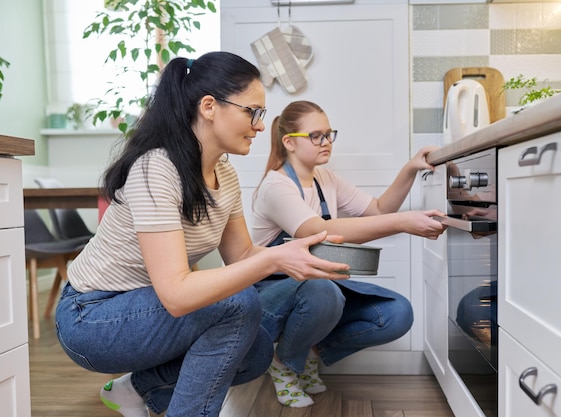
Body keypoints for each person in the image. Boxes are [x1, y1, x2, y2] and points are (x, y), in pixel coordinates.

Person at [54, 53, 352, 417]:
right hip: (92, 316)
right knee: (239, 303)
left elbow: (241, 254)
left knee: (255, 350)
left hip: (148, 312)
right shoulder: (156, 169)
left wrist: (295, 255)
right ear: (209, 106)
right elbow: (177, 295)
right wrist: (274, 259)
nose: (260, 126)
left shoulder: (223, 174)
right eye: (252, 112)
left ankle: (136, 389)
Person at [251, 100, 447, 407]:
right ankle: (285, 363)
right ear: (289, 142)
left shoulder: (325, 179)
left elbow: (378, 210)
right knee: (323, 290)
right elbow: (317, 230)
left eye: (329, 134)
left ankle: (308, 355)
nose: (327, 142)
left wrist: (410, 168)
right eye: (316, 136)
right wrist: (403, 224)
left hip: (318, 284)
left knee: (396, 313)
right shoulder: (276, 186)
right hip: (270, 294)